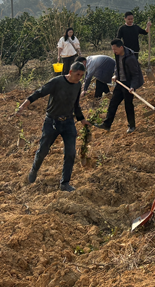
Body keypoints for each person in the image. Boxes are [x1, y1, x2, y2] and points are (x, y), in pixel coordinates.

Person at [16, 62, 90, 192]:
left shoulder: (78, 85)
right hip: (52, 121)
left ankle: (65, 183)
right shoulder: (57, 81)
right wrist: (24, 105)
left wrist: (82, 120)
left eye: (82, 75)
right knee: (43, 150)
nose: (79, 77)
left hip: (68, 122)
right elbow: (39, 92)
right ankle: (34, 169)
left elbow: (76, 105)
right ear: (71, 72)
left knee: (71, 153)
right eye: (78, 74)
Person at [93, 39, 144, 133]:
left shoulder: (130, 58)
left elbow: (135, 74)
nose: (114, 51)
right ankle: (107, 124)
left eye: (115, 49)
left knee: (128, 105)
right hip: (120, 82)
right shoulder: (117, 55)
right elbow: (117, 67)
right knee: (113, 103)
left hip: (128, 84)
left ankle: (131, 126)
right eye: (112, 49)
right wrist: (116, 75)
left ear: (121, 47)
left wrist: (133, 86)